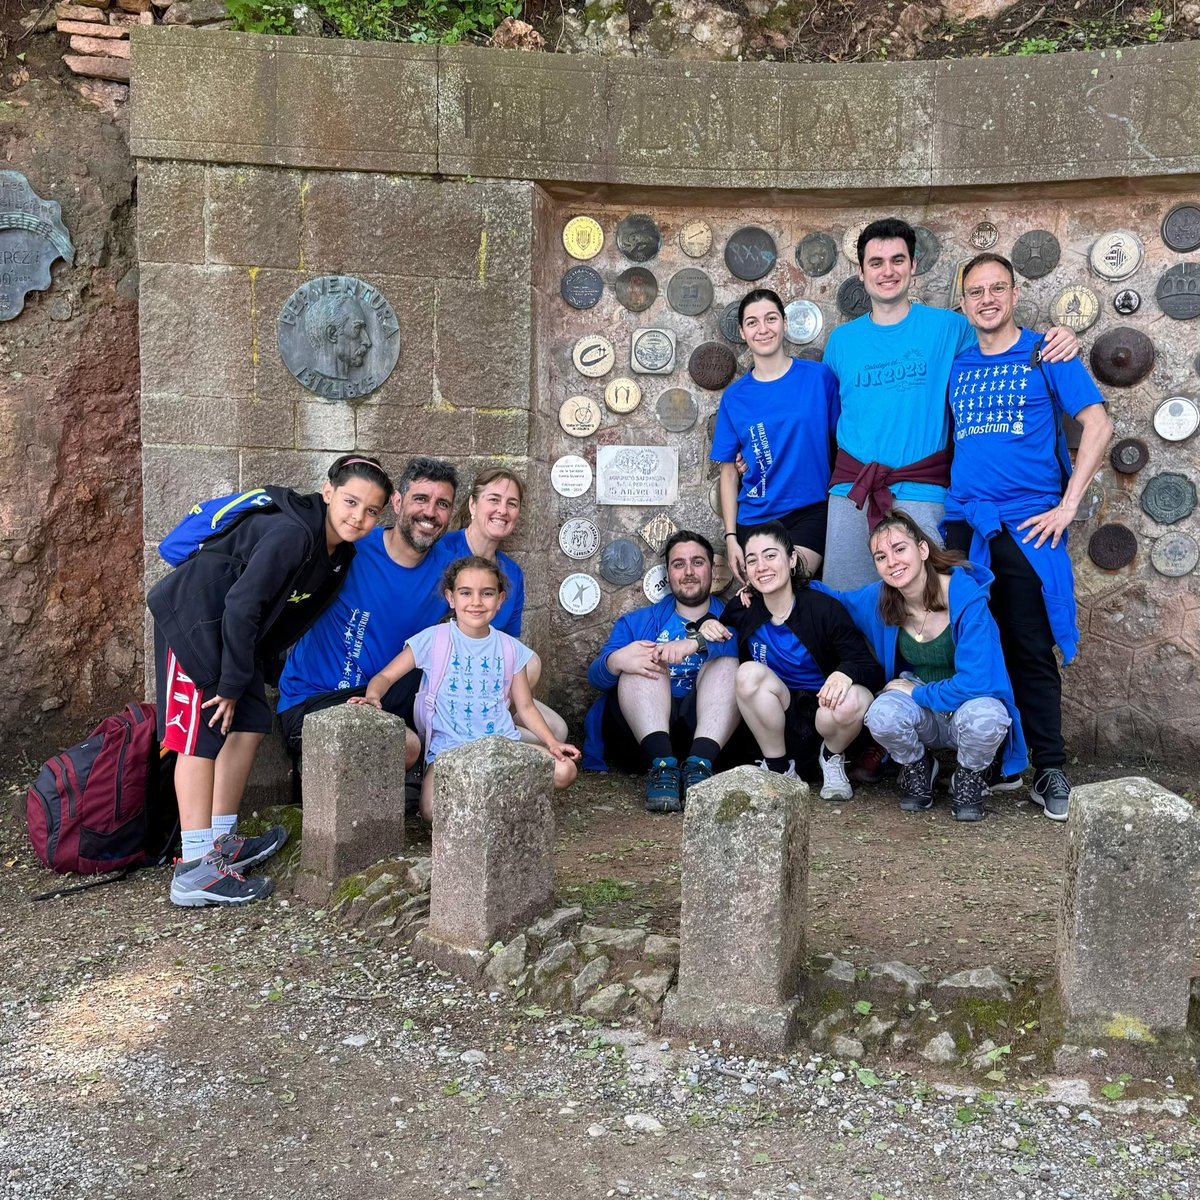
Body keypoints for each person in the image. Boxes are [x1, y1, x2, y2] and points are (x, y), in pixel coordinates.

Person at [149, 454, 392, 906]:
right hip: (193, 623)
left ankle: (221, 842)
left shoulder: (340, 554)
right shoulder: (292, 533)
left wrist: (250, 673)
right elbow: (242, 605)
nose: (358, 516)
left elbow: (284, 615)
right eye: (351, 501)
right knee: (199, 736)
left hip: (235, 637)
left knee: (250, 723)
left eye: (372, 510)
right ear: (328, 491)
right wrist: (229, 683)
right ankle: (193, 871)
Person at [821, 217, 1080, 590]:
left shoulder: (951, 329)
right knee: (847, 608)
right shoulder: (841, 342)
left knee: (932, 610)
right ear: (861, 273)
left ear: (913, 266)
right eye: (876, 263)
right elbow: (823, 420)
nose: (887, 271)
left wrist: (1063, 337)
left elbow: (1001, 349)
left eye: (898, 260)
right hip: (853, 494)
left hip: (925, 493)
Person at [943, 252, 1113, 821]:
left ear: (1014, 295)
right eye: (975, 291)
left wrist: (1068, 507)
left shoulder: (1047, 352)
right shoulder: (959, 364)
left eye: (997, 288)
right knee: (976, 646)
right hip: (968, 526)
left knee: (1031, 648)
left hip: (1027, 524)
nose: (987, 299)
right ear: (963, 303)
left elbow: (1098, 422)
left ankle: (1049, 766)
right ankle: (993, 760)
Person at [823, 510, 1027, 822]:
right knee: (881, 714)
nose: (891, 562)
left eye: (899, 549)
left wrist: (916, 693)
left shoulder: (965, 599)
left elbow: (977, 682)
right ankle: (919, 766)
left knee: (989, 717)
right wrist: (784, 575)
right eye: (881, 556)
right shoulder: (880, 598)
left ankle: (970, 776)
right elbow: (833, 600)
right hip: (923, 712)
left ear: (922, 550)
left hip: (968, 705)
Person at [350, 555, 579, 821]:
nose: (476, 602)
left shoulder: (510, 648)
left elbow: (525, 708)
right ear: (451, 598)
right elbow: (385, 677)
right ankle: (495, 802)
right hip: (450, 749)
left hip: (501, 747)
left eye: (487, 593)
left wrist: (552, 743)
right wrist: (373, 697)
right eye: (466, 593)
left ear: (501, 600)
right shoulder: (434, 639)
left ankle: (491, 798)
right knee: (430, 811)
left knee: (565, 771)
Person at [276, 456, 460, 769]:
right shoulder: (353, 546)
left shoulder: (449, 570)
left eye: (442, 504)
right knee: (407, 746)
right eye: (421, 499)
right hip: (313, 702)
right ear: (397, 502)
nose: (430, 512)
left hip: (383, 696)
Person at [698, 522, 883, 800]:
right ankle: (779, 769)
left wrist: (844, 673)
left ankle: (832, 759)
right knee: (747, 673)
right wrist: (705, 623)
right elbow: (718, 632)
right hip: (777, 720)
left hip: (826, 717)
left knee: (856, 697)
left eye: (771, 555)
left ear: (792, 558)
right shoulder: (743, 607)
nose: (762, 566)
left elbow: (871, 670)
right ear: (745, 571)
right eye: (752, 560)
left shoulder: (824, 609)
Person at [584, 531, 742, 813]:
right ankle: (663, 767)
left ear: (712, 569)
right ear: (668, 574)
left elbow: (749, 665)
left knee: (729, 665)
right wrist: (617, 660)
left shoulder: (734, 617)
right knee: (641, 661)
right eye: (678, 564)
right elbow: (596, 678)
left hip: (711, 735)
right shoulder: (637, 622)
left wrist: (697, 643)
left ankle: (699, 766)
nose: (689, 571)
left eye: (697, 562)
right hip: (646, 732)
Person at [711, 287, 840, 581]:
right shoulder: (735, 398)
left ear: (784, 322)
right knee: (767, 597)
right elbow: (729, 473)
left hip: (811, 510)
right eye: (752, 322)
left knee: (791, 582)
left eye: (771, 318)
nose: (763, 329)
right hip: (755, 516)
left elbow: (841, 443)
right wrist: (731, 536)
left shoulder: (819, 378)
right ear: (742, 332)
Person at [440, 468, 567, 742]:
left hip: (490, 680)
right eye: (494, 500)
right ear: (473, 505)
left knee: (558, 730)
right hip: (447, 678)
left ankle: (483, 731)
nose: (503, 510)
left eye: (512, 503)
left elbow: (508, 644)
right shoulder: (443, 552)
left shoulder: (512, 573)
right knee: (531, 665)